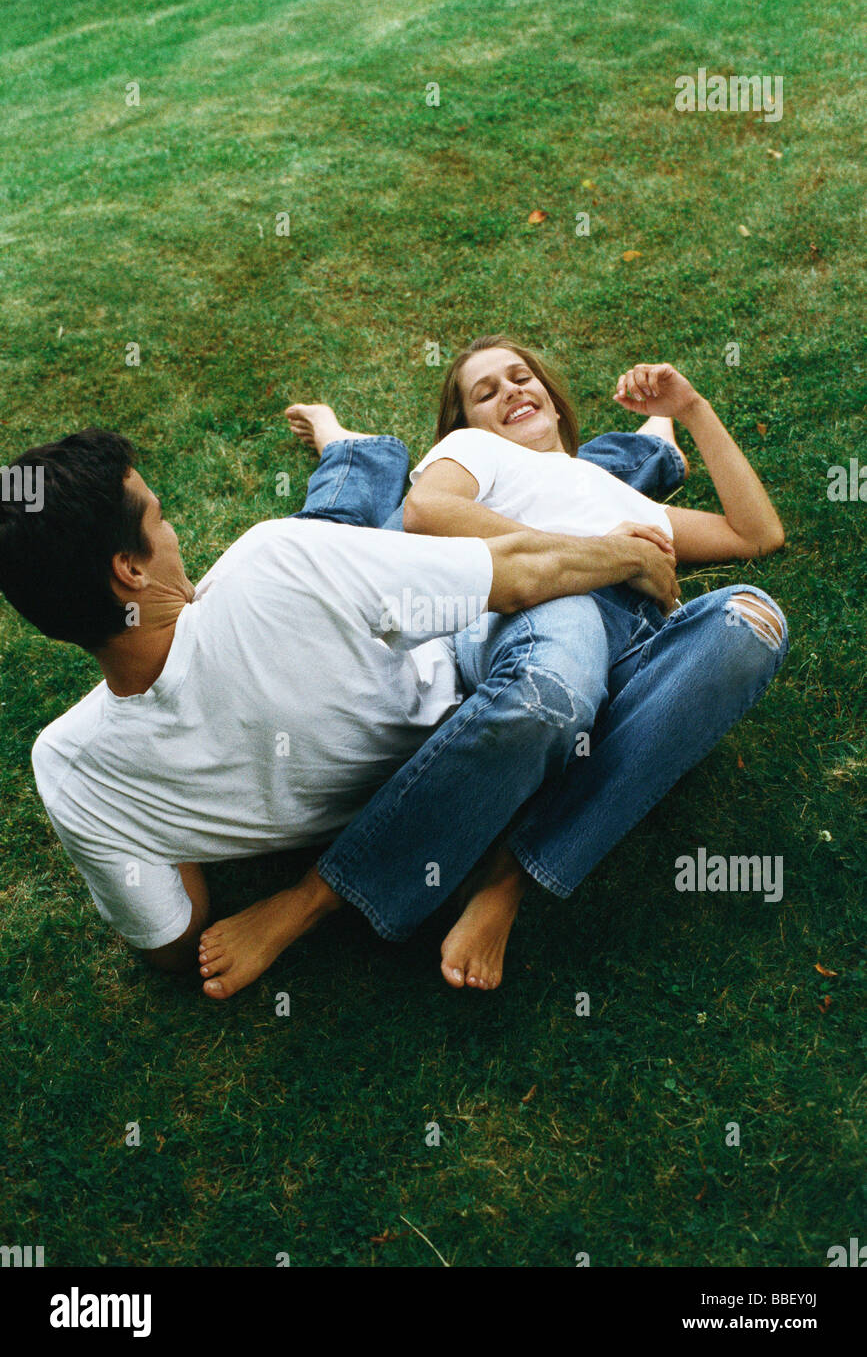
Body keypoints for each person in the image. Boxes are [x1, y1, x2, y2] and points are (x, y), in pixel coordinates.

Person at [0, 422, 676, 994]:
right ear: (131, 570)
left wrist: (167, 824)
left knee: (342, 525)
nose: (173, 529)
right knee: (363, 514)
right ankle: (360, 448)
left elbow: (175, 943)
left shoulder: (68, 767)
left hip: (345, 595)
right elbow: (519, 576)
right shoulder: (273, 564)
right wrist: (626, 555)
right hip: (412, 626)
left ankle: (346, 444)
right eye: (159, 516)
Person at [276, 340, 787, 993]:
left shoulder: (611, 489)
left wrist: (690, 407)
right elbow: (427, 511)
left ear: (550, 395)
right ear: (465, 425)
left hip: (628, 645)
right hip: (536, 602)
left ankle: (506, 876)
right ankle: (322, 894)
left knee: (752, 619)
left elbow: (756, 536)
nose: (511, 390)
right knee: (555, 689)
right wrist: (606, 552)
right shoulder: (477, 453)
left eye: (521, 377)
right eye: (485, 392)